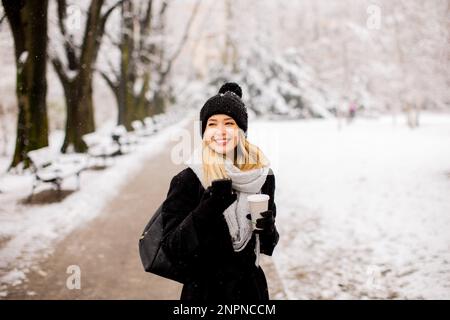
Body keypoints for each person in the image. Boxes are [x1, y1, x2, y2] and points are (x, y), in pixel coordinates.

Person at [160, 82, 279, 301]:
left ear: (242, 131)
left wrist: (268, 228)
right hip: (204, 293)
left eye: (229, 123)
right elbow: (172, 249)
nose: (220, 131)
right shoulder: (188, 180)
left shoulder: (262, 177)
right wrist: (209, 206)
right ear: (204, 132)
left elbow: (268, 246)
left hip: (250, 292)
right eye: (212, 124)